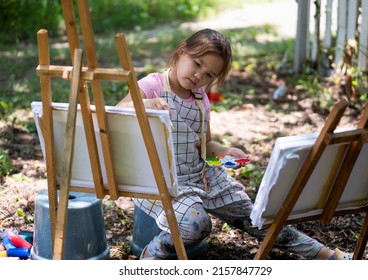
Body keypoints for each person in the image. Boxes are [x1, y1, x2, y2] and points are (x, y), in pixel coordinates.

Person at [116, 28, 351, 260]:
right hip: (164, 181)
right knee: (196, 224)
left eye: (209, 75)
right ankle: (155, 250)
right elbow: (117, 111)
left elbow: (205, 146)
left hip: (202, 175)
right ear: (181, 52)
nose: (199, 76)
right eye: (197, 64)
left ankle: (323, 255)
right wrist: (145, 104)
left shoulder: (200, 99)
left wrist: (225, 153)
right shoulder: (153, 85)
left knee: (255, 216)